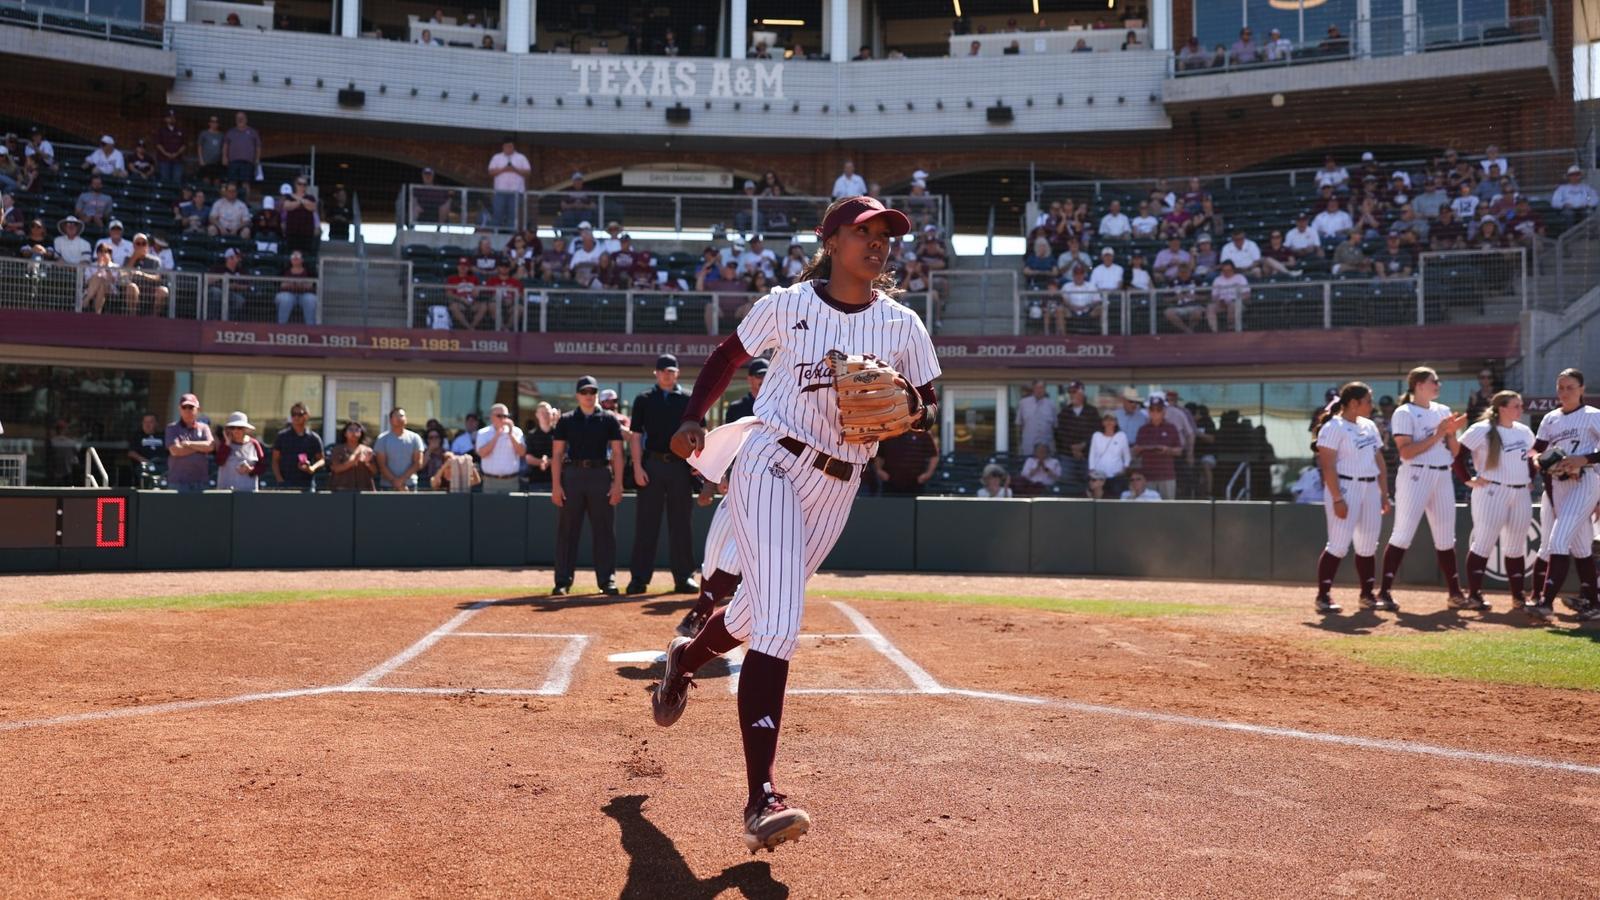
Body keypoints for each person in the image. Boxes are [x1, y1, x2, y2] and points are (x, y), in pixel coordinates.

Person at [652, 195, 940, 853]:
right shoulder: (790, 304)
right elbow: (728, 355)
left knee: (756, 613)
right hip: (770, 461)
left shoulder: (903, 326)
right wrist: (695, 415)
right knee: (782, 622)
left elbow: (926, 406)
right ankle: (762, 799)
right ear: (831, 241)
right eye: (864, 232)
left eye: (886, 236)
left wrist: (908, 413)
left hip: (839, 484)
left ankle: (683, 660)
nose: (879, 244)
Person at [1374, 367, 1469, 611]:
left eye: (1438, 380)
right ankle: (1384, 592)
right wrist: (1439, 433)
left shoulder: (1443, 410)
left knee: (1446, 536)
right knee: (1403, 533)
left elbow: (1455, 452)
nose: (1438, 384)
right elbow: (1406, 451)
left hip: (1442, 474)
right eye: (1432, 381)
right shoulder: (1404, 412)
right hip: (1415, 474)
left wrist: (1452, 432)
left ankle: (1455, 593)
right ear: (1418, 385)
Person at [1526, 368, 1600, 623]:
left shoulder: (1593, 415)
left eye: (1570, 387)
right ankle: (1592, 603)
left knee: (1557, 541)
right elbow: (1536, 449)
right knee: (1580, 548)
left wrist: (1585, 459)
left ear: (1582, 389)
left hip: (1584, 481)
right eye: (1560, 387)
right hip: (1559, 484)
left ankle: (1545, 602)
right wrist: (1538, 460)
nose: (1564, 392)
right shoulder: (1550, 418)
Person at [1310, 382, 1391, 614]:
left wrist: (1384, 493)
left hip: (1369, 488)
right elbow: (1327, 466)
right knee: (1338, 544)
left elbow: (1379, 462)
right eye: (1367, 401)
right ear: (1354, 403)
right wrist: (1337, 498)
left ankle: (1367, 595)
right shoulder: (1334, 426)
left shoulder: (1369, 425)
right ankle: (1323, 596)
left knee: (1367, 545)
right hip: (1345, 486)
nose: (1371, 405)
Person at [1454, 390, 1534, 611]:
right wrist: (1467, 479)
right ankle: (1474, 595)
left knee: (1516, 546)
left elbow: (1529, 460)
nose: (1520, 409)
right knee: (1483, 542)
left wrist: (1531, 477)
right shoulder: (1482, 429)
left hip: (1520, 493)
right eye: (1516, 405)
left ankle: (1519, 596)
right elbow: (1457, 455)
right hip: (1491, 490)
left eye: (1520, 405)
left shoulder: (1524, 431)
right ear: (1502, 408)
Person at [627, 355, 698, 595]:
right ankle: (639, 579)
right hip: (652, 465)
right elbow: (636, 435)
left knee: (681, 524)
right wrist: (637, 467)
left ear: (677, 373)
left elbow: (701, 431)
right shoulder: (644, 399)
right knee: (646, 524)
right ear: (655, 373)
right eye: (662, 371)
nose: (667, 374)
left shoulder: (689, 399)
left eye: (671, 370)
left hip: (680, 467)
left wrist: (698, 462)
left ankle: (684, 577)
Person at [551, 376, 626, 596]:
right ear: (577, 395)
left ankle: (607, 580)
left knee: (604, 531)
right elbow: (556, 454)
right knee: (567, 531)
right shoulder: (566, 420)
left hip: (601, 475)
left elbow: (619, 454)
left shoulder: (609, 419)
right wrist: (556, 486)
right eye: (584, 392)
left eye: (592, 392)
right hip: (572, 475)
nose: (588, 396)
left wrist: (618, 484)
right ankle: (562, 581)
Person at [1132, 396, 1182, 499]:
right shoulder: (1143, 429)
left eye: (1158, 409)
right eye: (1152, 409)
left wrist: (1167, 450)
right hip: (1148, 476)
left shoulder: (1171, 428)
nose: (1155, 412)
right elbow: (1135, 451)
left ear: (1164, 411)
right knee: (1150, 510)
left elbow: (1179, 451)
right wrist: (1142, 449)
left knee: (1168, 509)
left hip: (1167, 476)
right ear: (1148, 411)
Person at [165, 393, 215, 493]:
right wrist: (200, 447)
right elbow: (175, 450)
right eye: (184, 407)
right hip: (178, 482)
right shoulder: (172, 428)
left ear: (197, 409)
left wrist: (188, 444)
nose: (187, 410)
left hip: (201, 482)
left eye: (191, 407)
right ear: (179, 409)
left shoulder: (204, 427)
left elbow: (210, 446)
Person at [1053, 380, 1098, 491]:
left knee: (1088, 483)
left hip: (1087, 455)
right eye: (1071, 392)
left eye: (1075, 392)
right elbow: (1060, 434)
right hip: (1068, 456)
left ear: (1082, 393)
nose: (1072, 395)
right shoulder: (1064, 412)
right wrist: (1072, 448)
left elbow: (1096, 432)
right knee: (1067, 485)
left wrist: (1083, 445)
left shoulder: (1092, 411)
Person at [271, 401, 326, 491]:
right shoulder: (282, 436)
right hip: (286, 483)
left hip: (307, 484)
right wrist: (280, 480)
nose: (296, 417)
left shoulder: (313, 438)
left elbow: (321, 460)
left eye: (299, 414)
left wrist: (312, 468)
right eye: (293, 414)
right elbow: (275, 460)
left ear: (307, 416)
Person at [475, 402, 525, 493]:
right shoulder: (483, 433)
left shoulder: (516, 431)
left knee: (511, 507)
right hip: (490, 481)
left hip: (511, 481)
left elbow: (522, 452)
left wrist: (511, 434)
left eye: (505, 416)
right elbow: (482, 453)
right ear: (491, 417)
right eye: (499, 416)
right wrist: (497, 435)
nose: (503, 419)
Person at [213, 411, 267, 492]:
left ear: (245, 429)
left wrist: (251, 469)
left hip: (248, 492)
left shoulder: (254, 443)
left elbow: (262, 466)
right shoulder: (224, 444)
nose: (236, 430)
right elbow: (219, 462)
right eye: (232, 427)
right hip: (226, 493)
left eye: (239, 427)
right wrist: (227, 444)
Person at [374, 408, 425, 491]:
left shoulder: (415, 438)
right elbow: (381, 465)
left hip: (410, 485)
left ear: (406, 419)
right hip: (387, 485)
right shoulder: (382, 439)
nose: (399, 418)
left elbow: (418, 463)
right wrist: (394, 481)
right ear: (390, 420)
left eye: (401, 416)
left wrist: (401, 480)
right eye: (396, 416)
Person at [488, 137, 531, 230]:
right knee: (497, 214)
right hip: (500, 192)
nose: (509, 148)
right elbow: (491, 172)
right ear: (503, 147)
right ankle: (496, 233)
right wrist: (504, 169)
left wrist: (514, 169)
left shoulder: (521, 157)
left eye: (511, 146)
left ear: (513, 146)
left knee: (513, 216)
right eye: (507, 146)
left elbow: (528, 172)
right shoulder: (497, 157)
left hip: (516, 192)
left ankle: (510, 235)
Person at [327, 420, 377, 492]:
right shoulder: (338, 449)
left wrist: (367, 463)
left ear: (361, 433)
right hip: (342, 490)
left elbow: (375, 471)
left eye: (357, 430)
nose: (354, 432)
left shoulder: (367, 450)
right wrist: (352, 462)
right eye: (350, 429)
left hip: (364, 490)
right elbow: (335, 468)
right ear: (345, 433)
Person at [1089, 413, 1131, 497]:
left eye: (1112, 420)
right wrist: (1091, 470)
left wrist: (1124, 469)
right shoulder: (1096, 436)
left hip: (1116, 475)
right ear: (1102, 422)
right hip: (1099, 476)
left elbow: (1127, 456)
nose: (1109, 422)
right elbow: (1092, 454)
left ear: (1116, 422)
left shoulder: (1121, 436)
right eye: (1106, 419)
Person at [1015, 380, 1057, 455]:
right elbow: (1019, 425)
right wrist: (1019, 445)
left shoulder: (1051, 405)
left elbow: (1055, 427)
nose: (1039, 390)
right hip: (1028, 448)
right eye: (1037, 388)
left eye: (1041, 388)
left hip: (1046, 448)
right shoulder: (1023, 403)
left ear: (1045, 389)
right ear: (1033, 389)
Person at [126, 412, 168, 484]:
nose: (147, 425)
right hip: (146, 465)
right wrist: (144, 461)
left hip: (163, 464)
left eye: (151, 422)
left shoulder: (163, 436)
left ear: (156, 424)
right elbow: (131, 453)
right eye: (145, 422)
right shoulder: (137, 436)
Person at [522, 402, 557, 489]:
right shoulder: (531, 435)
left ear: (552, 414)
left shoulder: (559, 434)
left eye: (547, 413)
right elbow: (528, 458)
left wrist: (548, 462)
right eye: (542, 413)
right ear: (537, 415)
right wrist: (542, 462)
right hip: (536, 481)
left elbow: (564, 456)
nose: (545, 415)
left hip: (556, 481)